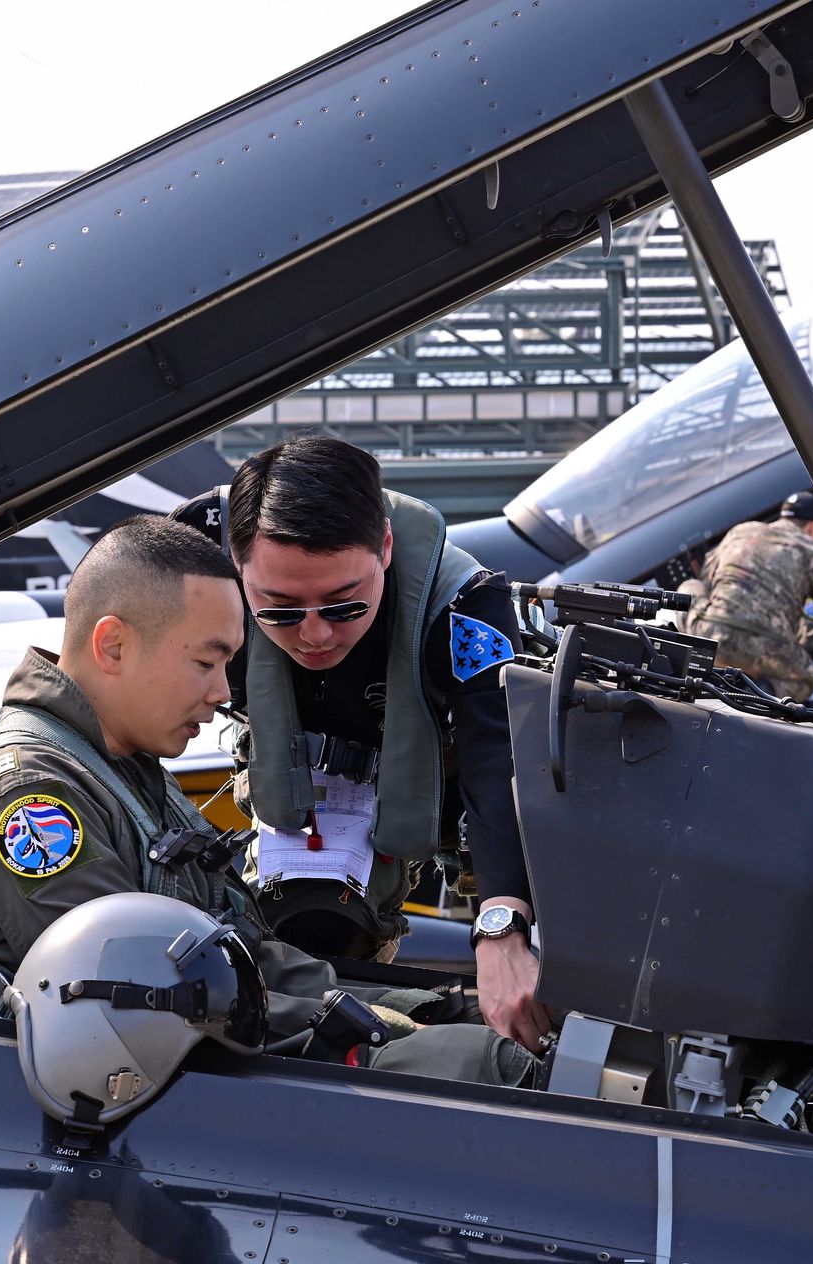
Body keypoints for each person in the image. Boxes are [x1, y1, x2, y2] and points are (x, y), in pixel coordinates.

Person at [0, 515, 535, 1087]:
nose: (221, 693)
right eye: (205, 662)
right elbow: (143, 1003)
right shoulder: (33, 800)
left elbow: (241, 950)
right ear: (113, 646)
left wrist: (404, 1008)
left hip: (231, 1051)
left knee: (487, 1026)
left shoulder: (120, 770)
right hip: (178, 1087)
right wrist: (383, 1029)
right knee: (507, 1072)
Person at [173, 435, 549, 1053]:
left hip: (413, 786)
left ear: (387, 548)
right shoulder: (188, 561)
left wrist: (502, 930)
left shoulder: (465, 607)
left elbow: (497, 757)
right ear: (236, 566)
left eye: (344, 605)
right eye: (280, 608)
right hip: (279, 775)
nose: (316, 636)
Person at [682, 491, 813, 701]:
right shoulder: (810, 551)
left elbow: (708, 577)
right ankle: (756, 697)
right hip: (762, 650)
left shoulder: (740, 532)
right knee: (806, 678)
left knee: (689, 586)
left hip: (708, 637)